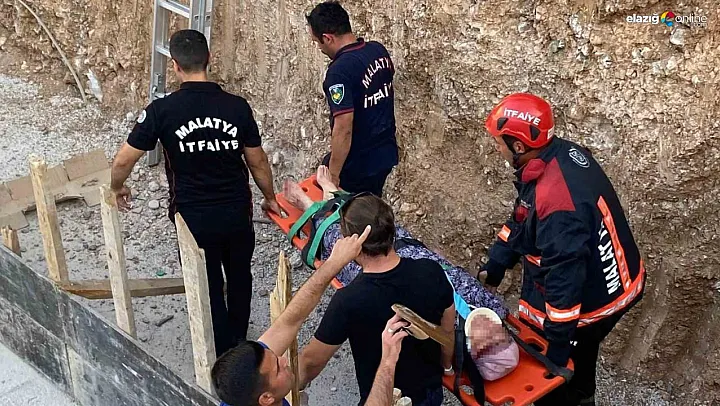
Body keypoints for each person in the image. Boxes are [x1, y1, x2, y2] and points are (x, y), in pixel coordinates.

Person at [109, 29, 283, 357]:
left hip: (192, 217)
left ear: (175, 65)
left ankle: (221, 350)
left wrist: (117, 187)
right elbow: (257, 161)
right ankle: (239, 340)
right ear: (209, 60)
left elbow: (123, 160)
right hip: (236, 211)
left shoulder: (161, 111)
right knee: (240, 274)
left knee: (207, 282)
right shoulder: (237, 107)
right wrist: (270, 196)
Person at [477, 92, 646, 406]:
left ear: (519, 146)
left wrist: (554, 353)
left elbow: (564, 282)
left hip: (598, 297)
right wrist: (497, 262)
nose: (496, 148)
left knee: (560, 375)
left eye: (499, 143)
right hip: (614, 276)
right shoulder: (559, 155)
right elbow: (525, 213)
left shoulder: (558, 204)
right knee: (581, 356)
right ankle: (582, 393)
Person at [283, 166, 519, 383]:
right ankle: (331, 193)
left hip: (378, 263)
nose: (492, 332)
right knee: (380, 224)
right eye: (501, 336)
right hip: (405, 249)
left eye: (488, 344)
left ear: (473, 352)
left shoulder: (452, 338)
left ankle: (308, 204)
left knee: (338, 238)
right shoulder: (492, 309)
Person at [210, 226, 405, 406]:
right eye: (278, 368)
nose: (284, 360)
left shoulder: (244, 392)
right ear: (266, 398)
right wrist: (388, 360)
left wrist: (334, 263)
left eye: (276, 357)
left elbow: (290, 321)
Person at [295, 191, 456, 406]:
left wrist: (283, 388)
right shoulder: (431, 271)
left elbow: (310, 362)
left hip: (381, 398)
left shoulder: (348, 301)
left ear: (353, 242)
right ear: (392, 231)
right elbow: (447, 330)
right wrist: (447, 367)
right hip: (429, 393)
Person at [306, 1, 399, 196]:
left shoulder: (338, 73)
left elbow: (344, 128)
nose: (319, 48)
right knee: (371, 202)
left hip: (358, 164)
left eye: (317, 42)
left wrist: (333, 176)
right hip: (385, 153)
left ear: (327, 38)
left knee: (350, 210)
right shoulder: (378, 51)